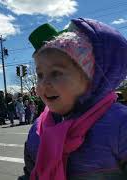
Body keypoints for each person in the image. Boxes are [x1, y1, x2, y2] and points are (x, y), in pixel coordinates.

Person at [20, 18, 127, 180]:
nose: (44, 84)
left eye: (56, 73)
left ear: (91, 77)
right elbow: (30, 175)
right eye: (40, 75)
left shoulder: (120, 125)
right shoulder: (38, 130)